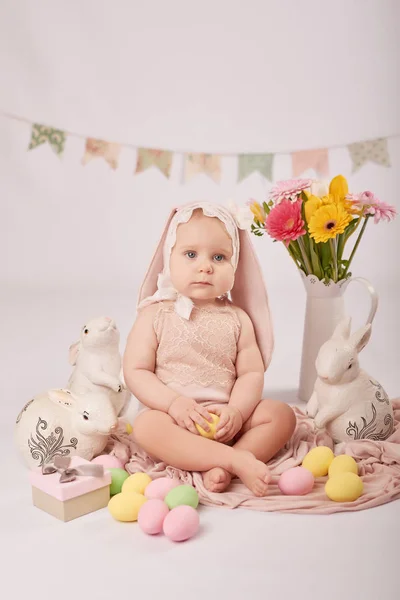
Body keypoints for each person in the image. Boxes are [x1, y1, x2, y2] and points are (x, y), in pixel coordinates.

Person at [123, 202, 296, 497]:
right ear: (168, 260)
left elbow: (251, 374)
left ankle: (223, 462)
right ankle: (235, 461)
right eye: (191, 254)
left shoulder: (238, 318)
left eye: (219, 257)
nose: (205, 266)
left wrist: (237, 412)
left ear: (235, 265)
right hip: (175, 421)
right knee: (146, 426)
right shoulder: (155, 314)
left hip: (226, 421)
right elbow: (135, 371)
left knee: (281, 415)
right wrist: (173, 404)